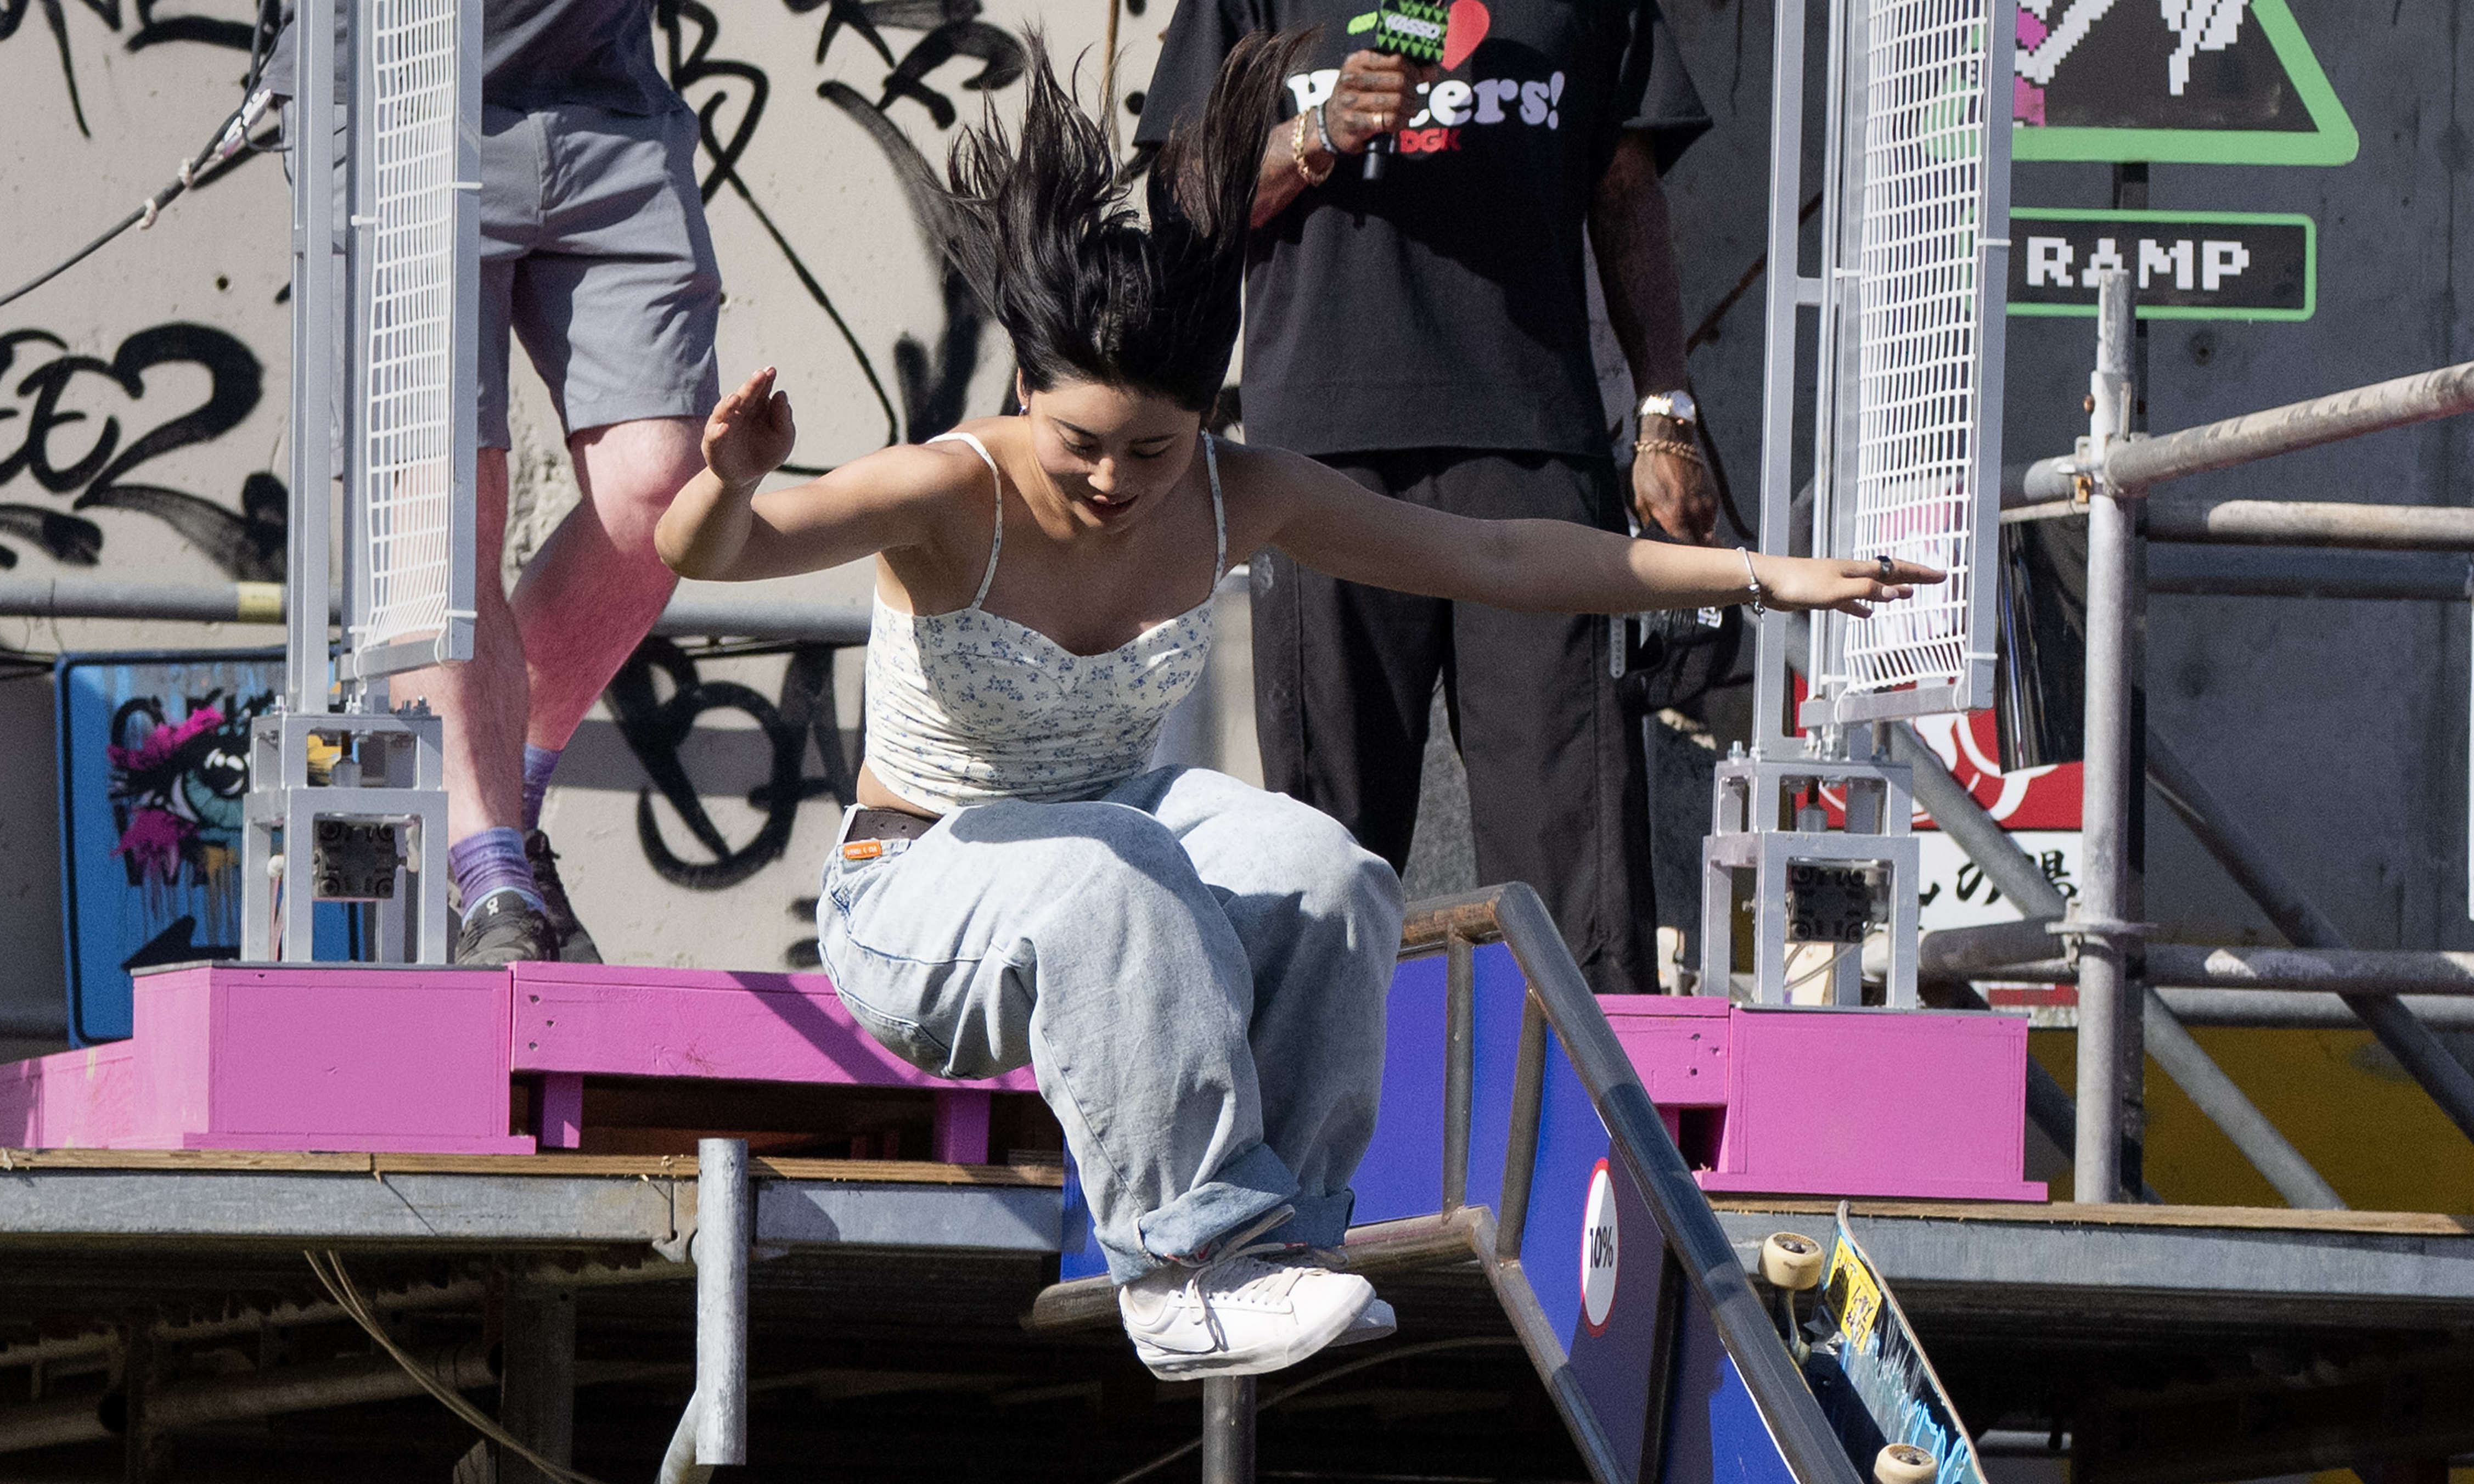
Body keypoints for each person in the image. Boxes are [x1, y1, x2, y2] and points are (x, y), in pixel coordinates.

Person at [657, 37, 1927, 1379]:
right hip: (916, 889)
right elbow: (715, 554)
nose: (1109, 481)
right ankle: (1183, 1264)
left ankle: (1289, 1242)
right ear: (1025, 391)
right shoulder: (945, 489)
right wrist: (729, 478)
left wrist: (1756, 574)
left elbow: (1499, 555)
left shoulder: (1232, 489)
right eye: (1078, 443)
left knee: (1331, 874)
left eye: (1152, 449)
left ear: (1204, 417)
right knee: (1120, 867)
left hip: (1112, 845)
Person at [1137, 0, 1717, 994]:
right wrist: (1315, 133)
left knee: (1576, 848)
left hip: (1533, 446)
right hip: (1322, 458)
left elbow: (1626, 193)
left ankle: (1592, 1137)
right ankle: (1313, 1126)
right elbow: (1184, 194)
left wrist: (1665, 404)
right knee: (1324, 840)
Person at [270, 0, 722, 965]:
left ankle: (505, 796)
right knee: (435, 496)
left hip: (604, 98)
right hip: (399, 96)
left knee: (668, 487)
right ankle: (489, 879)